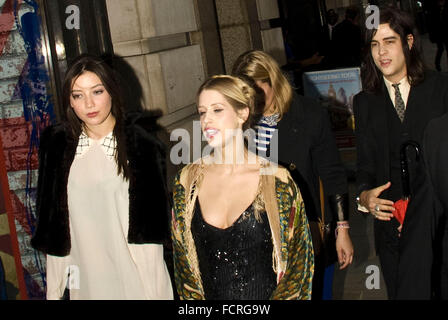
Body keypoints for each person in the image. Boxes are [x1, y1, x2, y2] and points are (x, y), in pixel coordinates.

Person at [31, 54, 173, 300]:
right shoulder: (57, 148)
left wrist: (156, 294)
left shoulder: (142, 147)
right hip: (83, 281)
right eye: (78, 95)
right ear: (70, 101)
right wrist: (54, 292)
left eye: (97, 91)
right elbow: (57, 235)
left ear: (112, 92)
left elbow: (150, 240)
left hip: (134, 282)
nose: (88, 104)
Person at [171, 75, 314, 300]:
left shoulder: (278, 181)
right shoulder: (186, 182)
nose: (207, 120)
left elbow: (298, 268)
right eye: (202, 112)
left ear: (242, 113)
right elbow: (184, 271)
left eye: (217, 110)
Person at [231, 50, 353, 300]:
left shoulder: (308, 113)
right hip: (259, 236)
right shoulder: (239, 122)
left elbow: (332, 173)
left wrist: (342, 229)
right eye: (246, 95)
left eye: (258, 91)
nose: (252, 102)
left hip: (305, 230)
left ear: (273, 81)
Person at [353, 7, 448, 299]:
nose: (381, 52)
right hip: (391, 228)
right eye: (374, 43)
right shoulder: (364, 103)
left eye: (389, 41)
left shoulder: (440, 88)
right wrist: (364, 197)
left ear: (408, 42)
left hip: (440, 224)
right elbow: (365, 165)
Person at [427, 0, 448, 71]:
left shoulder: (445, 8)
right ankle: (437, 64)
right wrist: (432, 36)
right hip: (438, 33)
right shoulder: (434, 9)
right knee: (441, 49)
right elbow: (431, 24)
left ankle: (437, 64)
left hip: (445, 32)